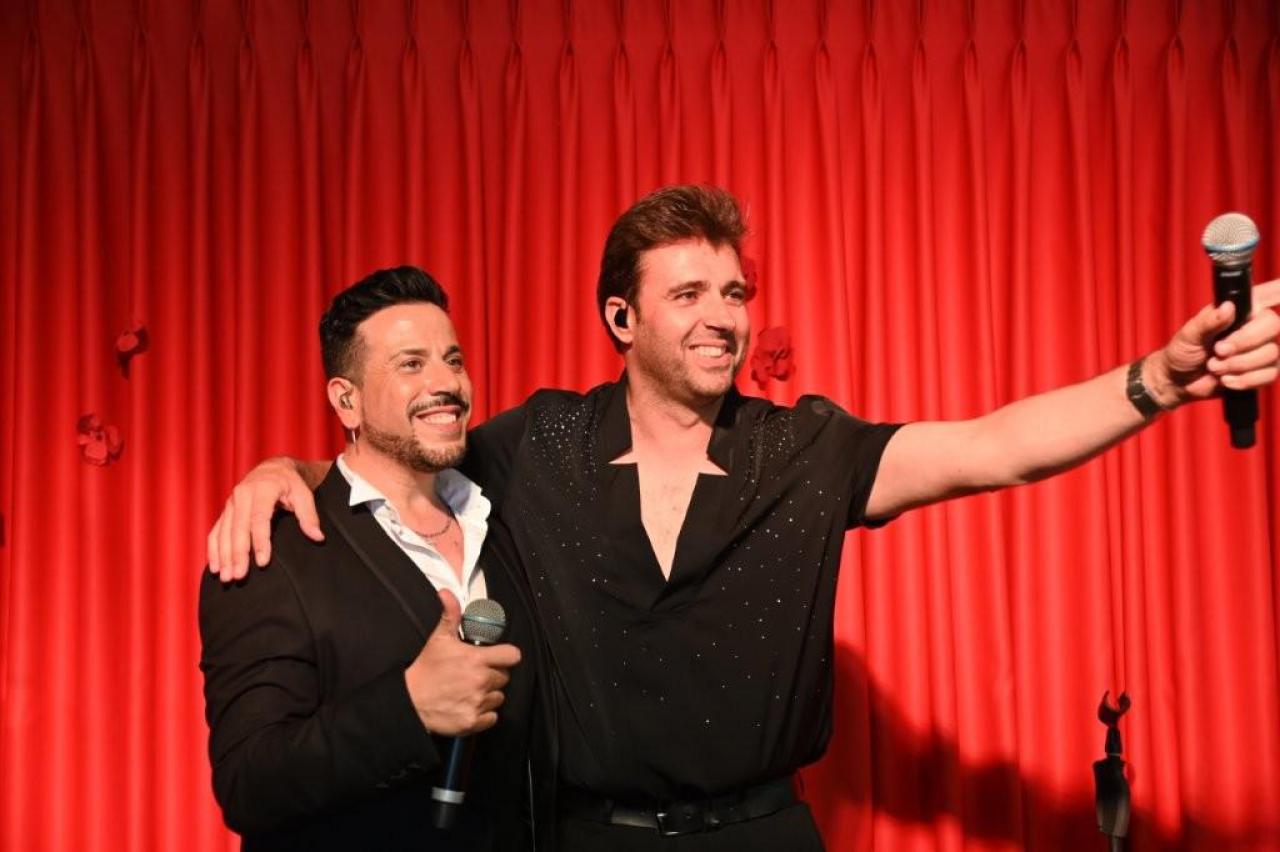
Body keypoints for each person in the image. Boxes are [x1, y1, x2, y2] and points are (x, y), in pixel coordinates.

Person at [206, 186, 1280, 850]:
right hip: (586, 841)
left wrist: (1157, 380)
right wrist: (283, 470)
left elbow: (992, 446)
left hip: (763, 834)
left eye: (733, 293)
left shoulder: (801, 449)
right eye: (688, 295)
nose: (722, 317)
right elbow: (405, 449)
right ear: (621, 316)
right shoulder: (538, 444)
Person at [199, 267, 539, 851]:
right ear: (346, 400)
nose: (446, 383)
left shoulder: (501, 514)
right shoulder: (273, 550)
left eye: (453, 360)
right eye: (411, 364)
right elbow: (249, 783)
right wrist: (409, 708)